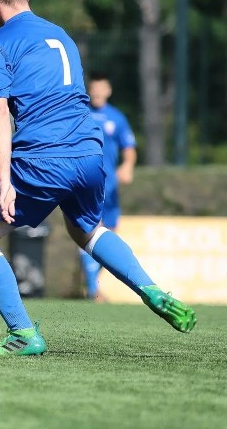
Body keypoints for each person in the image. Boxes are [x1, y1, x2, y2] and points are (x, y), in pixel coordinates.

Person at [0, 0, 196, 356]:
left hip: (42, 157)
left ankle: (23, 334)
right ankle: (151, 289)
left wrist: (4, 179)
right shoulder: (61, 36)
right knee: (86, 228)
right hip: (90, 153)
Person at [79, 72, 138, 300]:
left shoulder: (117, 117)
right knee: (89, 229)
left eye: (101, 89)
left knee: (109, 232)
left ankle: (92, 284)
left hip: (110, 186)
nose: (97, 93)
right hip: (85, 181)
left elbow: (129, 148)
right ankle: (94, 289)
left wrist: (127, 166)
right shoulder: (81, 114)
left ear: (108, 91)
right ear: (89, 90)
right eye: (93, 88)